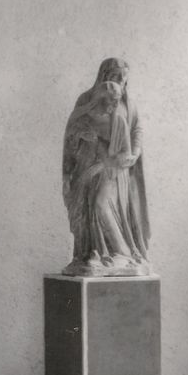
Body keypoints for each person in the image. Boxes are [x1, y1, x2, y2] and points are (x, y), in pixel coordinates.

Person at [61, 57, 151, 277]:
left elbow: (136, 130)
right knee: (87, 207)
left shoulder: (128, 104)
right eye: (115, 76)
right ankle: (92, 253)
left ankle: (122, 252)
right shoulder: (86, 99)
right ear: (103, 76)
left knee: (101, 204)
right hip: (87, 164)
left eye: (123, 78)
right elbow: (73, 129)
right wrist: (80, 138)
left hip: (114, 169)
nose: (119, 81)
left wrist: (134, 152)